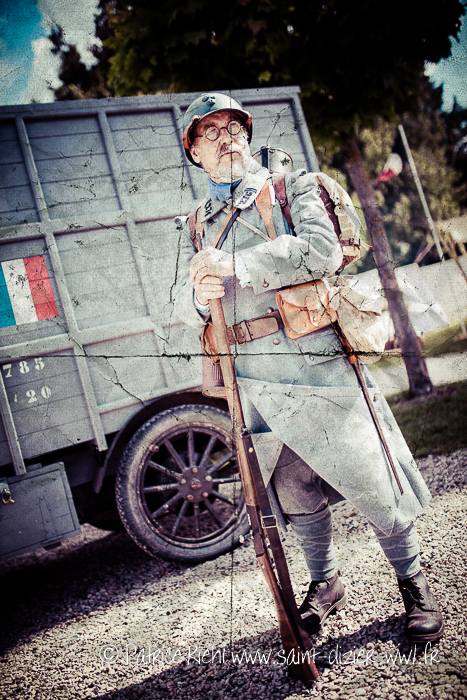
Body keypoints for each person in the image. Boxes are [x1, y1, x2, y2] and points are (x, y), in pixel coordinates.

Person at [173, 92, 444, 644]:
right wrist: (198, 296)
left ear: (247, 135)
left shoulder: (290, 187)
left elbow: (323, 251)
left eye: (233, 127)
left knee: (368, 472)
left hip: (316, 358)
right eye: (210, 132)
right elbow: (177, 302)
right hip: (254, 378)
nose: (226, 138)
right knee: (293, 488)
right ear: (194, 152)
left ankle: (413, 582)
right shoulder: (196, 225)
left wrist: (238, 264)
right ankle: (325, 583)